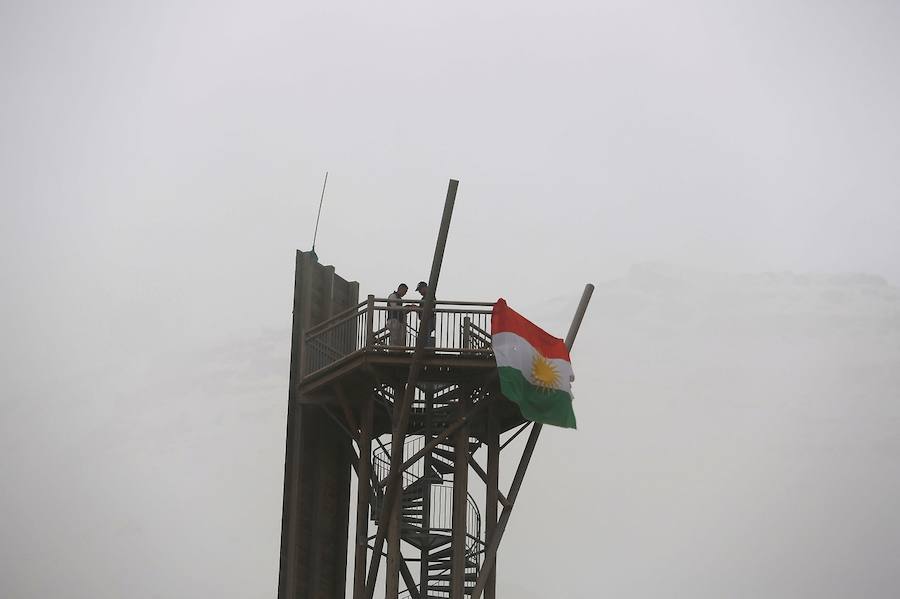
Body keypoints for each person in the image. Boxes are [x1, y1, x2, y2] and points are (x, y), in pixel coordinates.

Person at [415, 281, 435, 348]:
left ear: (425, 288)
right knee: (425, 335)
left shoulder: (429, 296)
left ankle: (426, 349)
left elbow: (426, 308)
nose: (420, 292)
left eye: (420, 290)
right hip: (426, 319)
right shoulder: (427, 296)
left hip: (428, 319)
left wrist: (417, 308)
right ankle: (425, 349)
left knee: (426, 336)